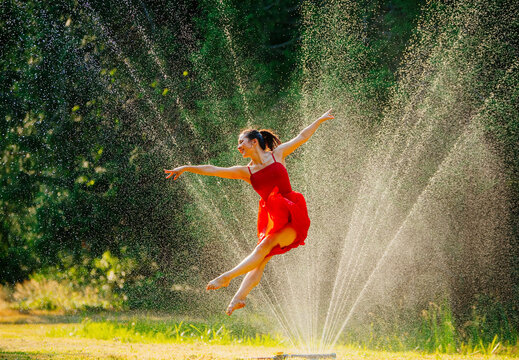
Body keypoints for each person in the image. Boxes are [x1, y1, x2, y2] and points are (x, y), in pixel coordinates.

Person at [165, 109, 335, 315]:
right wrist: (186, 167)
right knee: (261, 258)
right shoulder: (246, 172)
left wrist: (318, 120)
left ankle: (227, 277)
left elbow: (302, 136)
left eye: (241, 142)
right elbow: (212, 169)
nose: (238, 147)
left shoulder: (277, 154)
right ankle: (238, 297)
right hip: (274, 217)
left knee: (264, 248)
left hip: (292, 214)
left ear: (254, 142)